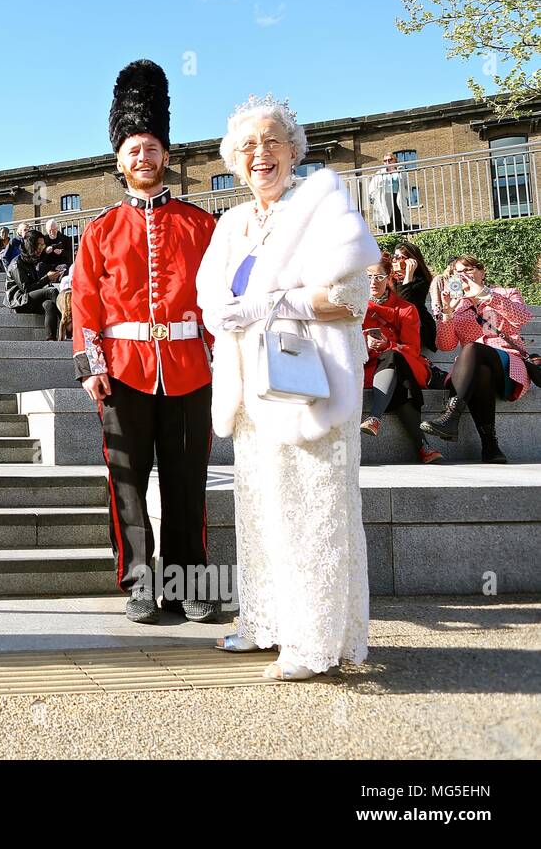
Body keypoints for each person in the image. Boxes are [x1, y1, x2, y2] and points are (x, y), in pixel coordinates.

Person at [196, 93, 380, 681]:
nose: (261, 153)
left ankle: (314, 641)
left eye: (272, 141)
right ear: (234, 160)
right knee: (262, 511)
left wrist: (270, 303)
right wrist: (224, 313)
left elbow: (350, 298)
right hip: (253, 388)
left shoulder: (322, 205)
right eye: (248, 145)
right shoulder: (233, 221)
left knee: (314, 511)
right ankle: (266, 622)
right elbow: (212, 295)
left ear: (294, 150)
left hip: (312, 386)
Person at [74, 60, 218, 627]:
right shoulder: (100, 229)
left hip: (189, 367)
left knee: (187, 480)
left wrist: (223, 360)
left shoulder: (201, 224)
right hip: (123, 370)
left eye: (151, 148)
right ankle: (139, 583)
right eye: (133, 149)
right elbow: (86, 302)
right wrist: (91, 365)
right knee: (128, 481)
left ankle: (187, 584)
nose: (143, 157)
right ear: (119, 160)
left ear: (166, 156)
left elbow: (219, 299)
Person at [420, 254, 533, 463]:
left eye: (469, 270)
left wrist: (485, 295)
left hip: (508, 364)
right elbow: (445, 346)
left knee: (473, 347)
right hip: (473, 370)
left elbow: (523, 317)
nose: (464, 275)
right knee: (480, 370)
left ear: (482, 272)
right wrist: (447, 313)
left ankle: (451, 416)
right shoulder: (457, 305)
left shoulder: (505, 294)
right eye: (458, 273)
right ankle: (490, 446)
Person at [360, 257, 439, 464]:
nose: (373, 282)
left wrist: (388, 344)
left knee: (393, 357)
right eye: (368, 277)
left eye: (379, 277)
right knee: (401, 385)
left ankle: (375, 417)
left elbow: (413, 349)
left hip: (405, 363)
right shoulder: (355, 307)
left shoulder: (406, 309)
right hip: (369, 366)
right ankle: (423, 445)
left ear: (389, 278)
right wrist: (365, 344)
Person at [6, 231, 60, 339]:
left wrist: (47, 281)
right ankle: (70, 327)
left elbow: (34, 285)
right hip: (19, 301)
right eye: (39, 245)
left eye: (43, 245)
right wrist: (47, 279)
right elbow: (26, 289)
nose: (41, 248)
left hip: (29, 299)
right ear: (31, 245)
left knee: (49, 304)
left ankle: (51, 340)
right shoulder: (16, 264)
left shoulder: (30, 261)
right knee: (52, 291)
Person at [390, 239, 437, 357]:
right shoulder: (391, 278)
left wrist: (409, 275)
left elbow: (404, 304)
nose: (395, 260)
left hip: (417, 322)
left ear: (412, 261)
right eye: (394, 256)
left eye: (399, 257)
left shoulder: (421, 280)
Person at [367, 152, 406, 234]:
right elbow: (372, 186)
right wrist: (372, 198)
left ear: (395, 160)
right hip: (385, 196)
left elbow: (406, 184)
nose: (388, 162)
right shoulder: (380, 173)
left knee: (398, 215)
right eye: (385, 161)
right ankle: (388, 234)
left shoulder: (400, 171)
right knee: (387, 217)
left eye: (390, 160)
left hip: (397, 195)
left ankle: (400, 234)